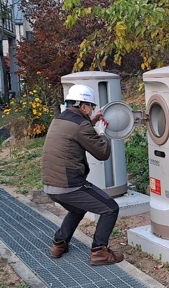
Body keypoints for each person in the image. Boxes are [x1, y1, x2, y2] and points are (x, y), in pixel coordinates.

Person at [41, 84, 123, 266]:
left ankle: (59, 243)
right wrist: (102, 133)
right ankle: (99, 252)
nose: (92, 110)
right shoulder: (81, 126)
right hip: (69, 184)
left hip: (50, 184)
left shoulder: (60, 120)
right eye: (91, 107)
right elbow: (103, 153)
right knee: (110, 208)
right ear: (84, 106)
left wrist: (92, 122)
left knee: (78, 208)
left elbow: (78, 131)